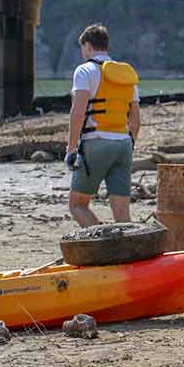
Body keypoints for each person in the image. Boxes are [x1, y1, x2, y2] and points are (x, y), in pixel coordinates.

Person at [64, 24, 142, 227]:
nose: (82, 53)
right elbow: (135, 120)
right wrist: (129, 144)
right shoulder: (126, 75)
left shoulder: (85, 71)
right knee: (122, 214)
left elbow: (78, 113)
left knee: (77, 205)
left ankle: (104, 242)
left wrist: (71, 149)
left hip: (96, 142)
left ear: (88, 46)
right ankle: (128, 252)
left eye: (83, 49)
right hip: (124, 144)